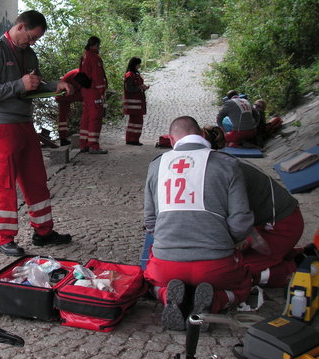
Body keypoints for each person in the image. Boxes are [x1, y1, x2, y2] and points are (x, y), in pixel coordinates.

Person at [0, 10, 73, 256]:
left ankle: (44, 232)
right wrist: (19, 84)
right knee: (5, 182)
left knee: (36, 178)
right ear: (19, 27)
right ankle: (3, 237)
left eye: (36, 39)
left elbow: (34, 85)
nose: (33, 43)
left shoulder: (29, 53)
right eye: (31, 37)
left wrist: (54, 86)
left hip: (23, 122)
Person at [143, 116, 253, 330]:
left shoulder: (156, 165)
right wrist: (224, 241)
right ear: (203, 135)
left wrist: (167, 240)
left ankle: (167, 296)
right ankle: (215, 301)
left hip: (167, 265)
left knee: (148, 283)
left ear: (172, 141)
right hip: (216, 264)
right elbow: (241, 221)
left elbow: (149, 220)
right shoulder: (227, 163)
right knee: (244, 285)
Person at [203, 125, 304, 288]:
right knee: (232, 260)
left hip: (281, 225)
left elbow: (235, 222)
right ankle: (294, 255)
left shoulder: (225, 170)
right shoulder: (224, 161)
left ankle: (294, 269)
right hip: (269, 222)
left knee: (232, 271)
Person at [78, 36, 108, 154]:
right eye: (98, 45)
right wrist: (102, 91)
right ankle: (93, 146)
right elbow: (97, 75)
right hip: (94, 91)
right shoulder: (94, 57)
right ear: (95, 45)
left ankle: (83, 143)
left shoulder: (84, 56)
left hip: (86, 91)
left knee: (86, 117)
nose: (99, 47)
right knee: (95, 118)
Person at [55, 68, 89, 146]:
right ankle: (63, 139)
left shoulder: (80, 73)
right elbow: (75, 88)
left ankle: (63, 138)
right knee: (63, 117)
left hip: (67, 93)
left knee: (62, 117)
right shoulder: (77, 74)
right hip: (64, 94)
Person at [123, 57, 149, 146]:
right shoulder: (129, 75)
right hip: (133, 103)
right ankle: (133, 139)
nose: (139, 66)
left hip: (137, 102)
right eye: (138, 64)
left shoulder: (135, 74)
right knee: (137, 122)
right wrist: (140, 87)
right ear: (134, 65)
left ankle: (131, 139)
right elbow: (129, 88)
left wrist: (143, 87)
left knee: (134, 122)